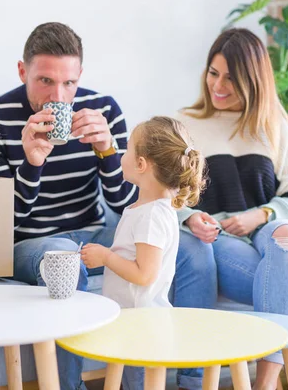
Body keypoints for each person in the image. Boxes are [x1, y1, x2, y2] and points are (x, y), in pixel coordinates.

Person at [0, 22, 217, 389]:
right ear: (23, 71)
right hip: (33, 241)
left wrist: (106, 152)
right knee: (64, 258)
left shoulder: (104, 111)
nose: (60, 96)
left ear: (80, 74)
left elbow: (128, 203)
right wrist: (31, 163)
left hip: (97, 228)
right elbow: (1, 225)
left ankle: (191, 382)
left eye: (69, 83)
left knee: (194, 250)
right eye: (45, 81)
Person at [175, 28, 288, 390]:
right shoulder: (185, 125)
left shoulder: (273, 124)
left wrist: (263, 214)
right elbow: (165, 195)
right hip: (216, 240)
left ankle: (266, 380)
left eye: (232, 78)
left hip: (266, 232)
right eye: (214, 73)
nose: (218, 86)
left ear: (254, 81)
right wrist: (191, 217)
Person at [80, 116, 206, 389]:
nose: (122, 155)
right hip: (133, 321)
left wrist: (105, 257)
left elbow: (145, 274)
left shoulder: (152, 216)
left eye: (126, 149)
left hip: (142, 326)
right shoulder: (147, 209)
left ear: (141, 164)